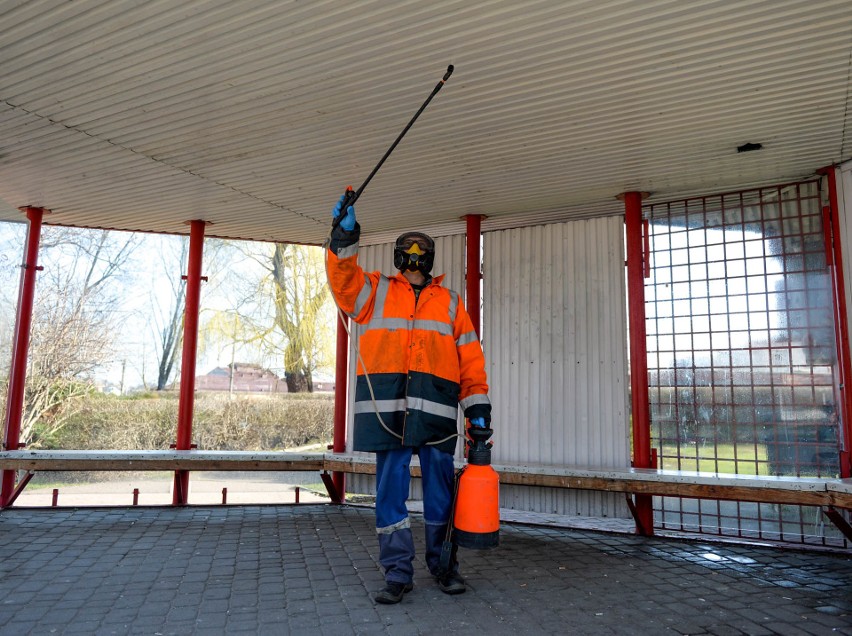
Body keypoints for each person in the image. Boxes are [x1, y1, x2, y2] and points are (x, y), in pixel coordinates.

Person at [325, 194, 492, 604]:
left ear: (430, 259)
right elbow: (342, 280)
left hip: (435, 414)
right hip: (388, 414)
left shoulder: (451, 303)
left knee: (440, 494)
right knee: (389, 494)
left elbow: (471, 360)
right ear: (399, 257)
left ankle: (443, 565)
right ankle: (398, 573)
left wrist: (479, 414)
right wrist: (344, 235)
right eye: (409, 251)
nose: (415, 256)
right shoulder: (373, 291)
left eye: (422, 251)